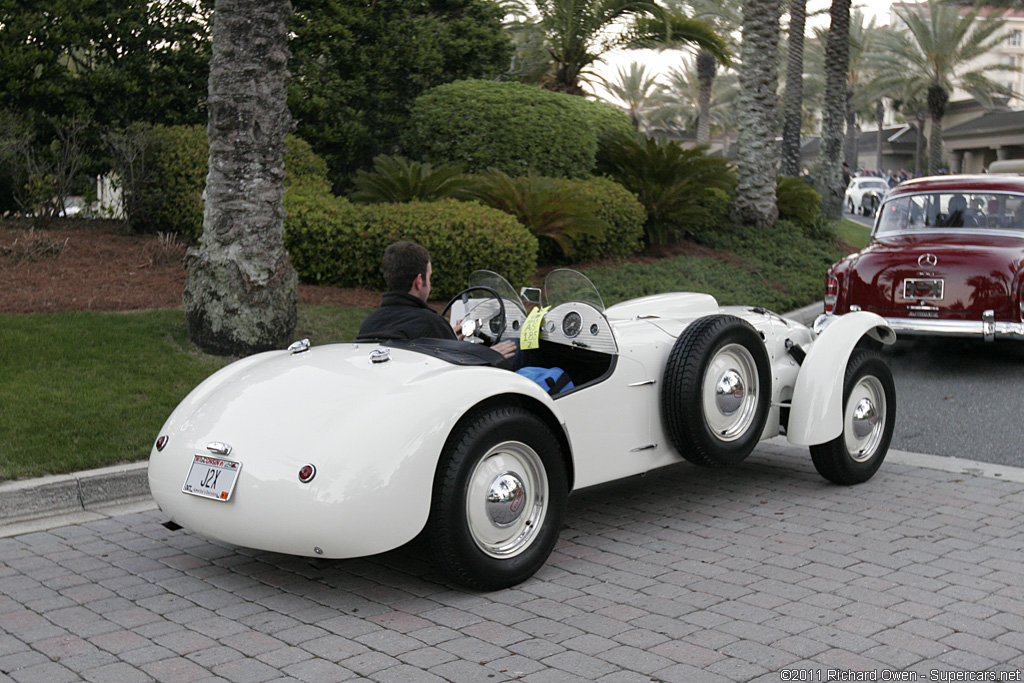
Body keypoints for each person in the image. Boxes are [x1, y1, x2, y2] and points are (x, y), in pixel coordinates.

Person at [357, 240, 518, 360]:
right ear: (419, 281)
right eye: (429, 276)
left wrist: (449, 338)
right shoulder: (430, 324)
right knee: (517, 350)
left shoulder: (370, 323)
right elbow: (459, 372)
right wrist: (490, 355)